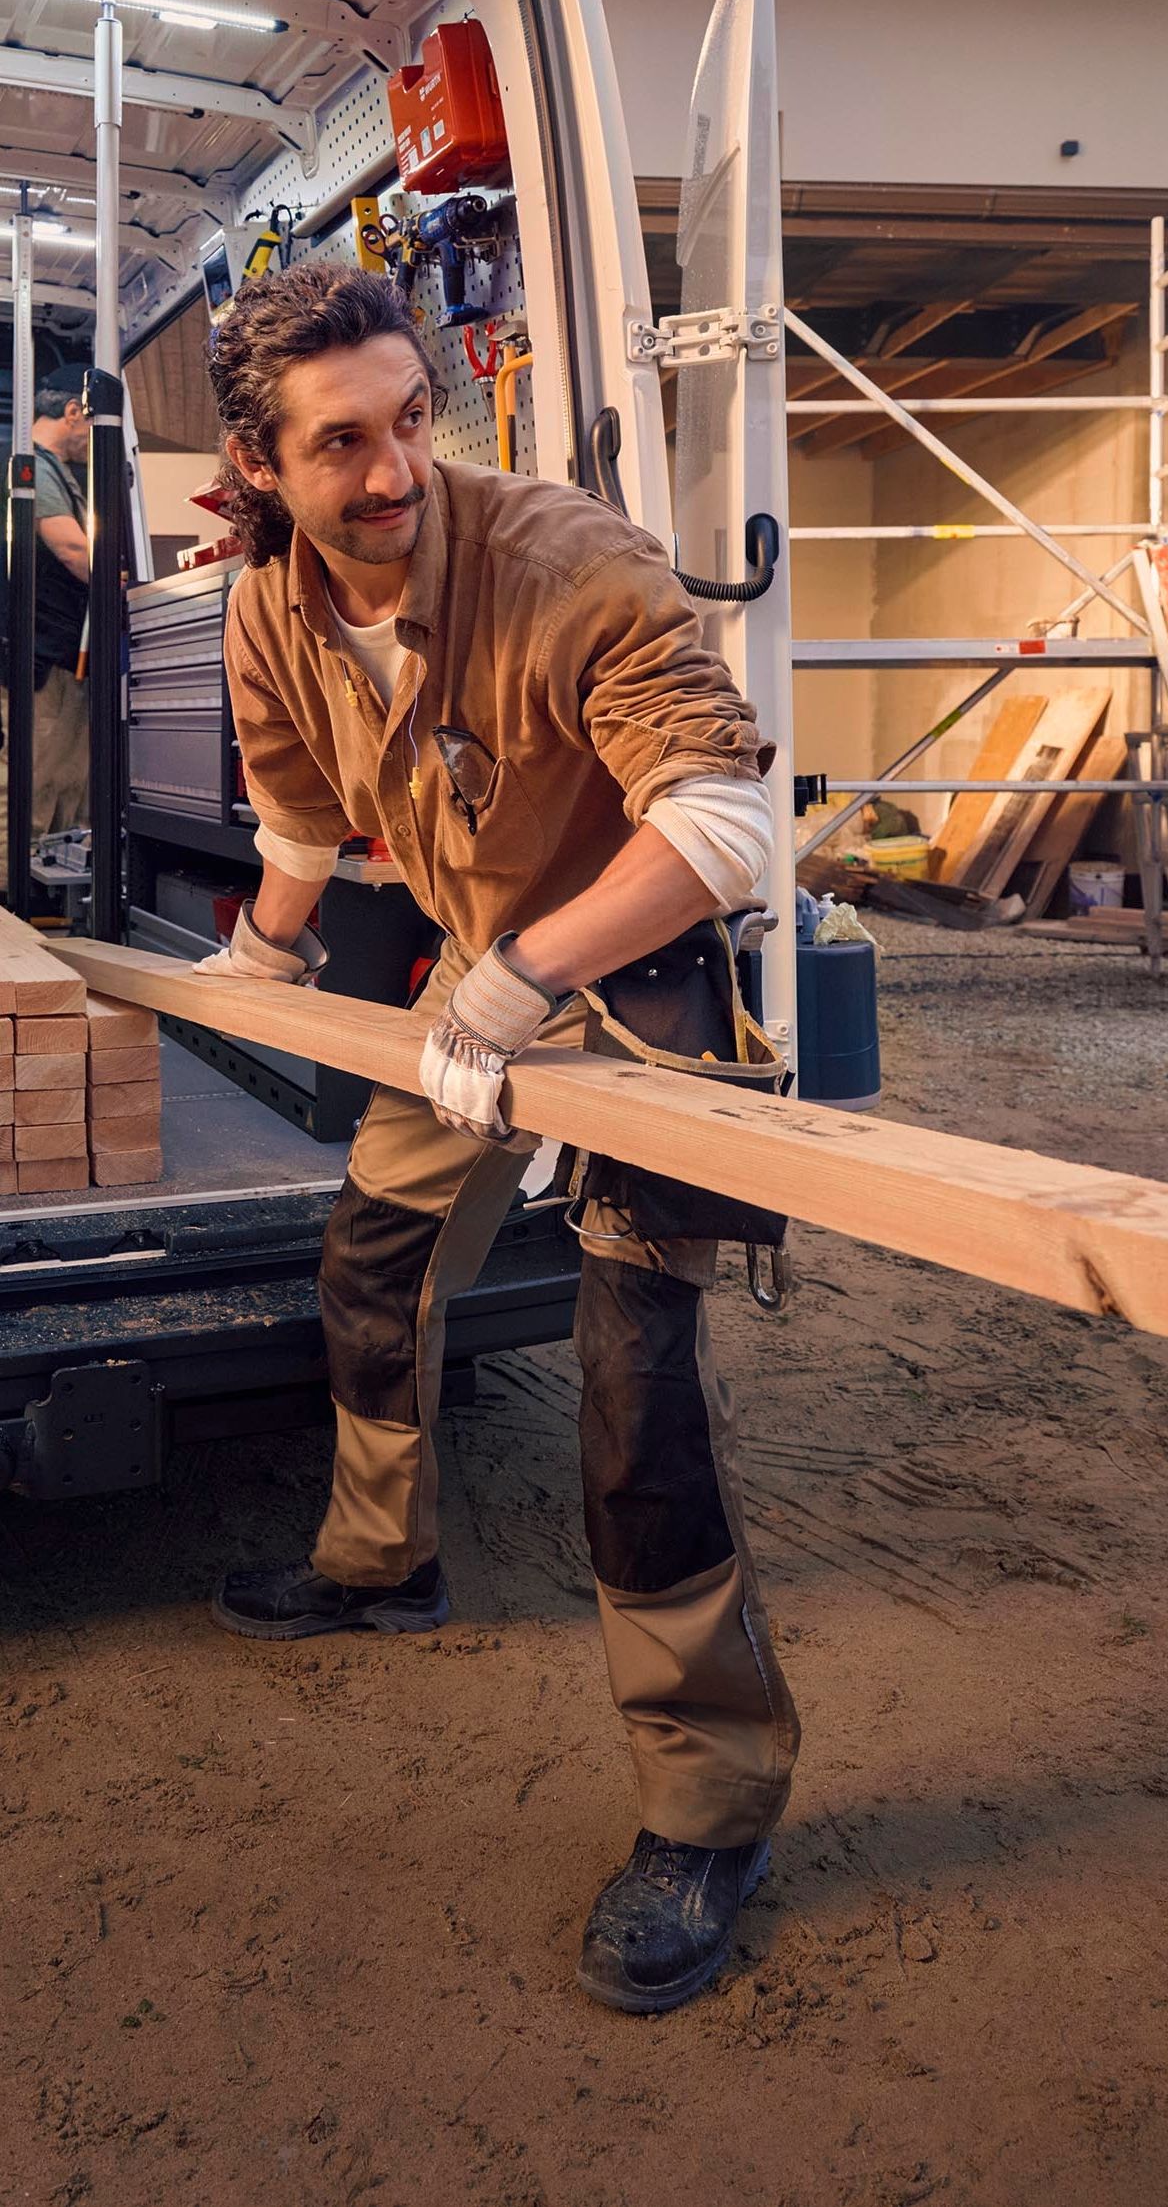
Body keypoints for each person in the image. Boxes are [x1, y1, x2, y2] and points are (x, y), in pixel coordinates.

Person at [201, 261, 797, 2015]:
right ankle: (380, 1558)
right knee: (372, 1258)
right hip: (476, 983)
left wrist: (527, 974)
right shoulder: (268, 606)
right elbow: (303, 806)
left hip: (636, 977)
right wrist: (255, 957)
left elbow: (722, 826)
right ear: (260, 465)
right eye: (341, 442)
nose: (391, 469)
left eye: (407, 421)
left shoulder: (567, 559)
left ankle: (707, 1805)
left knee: (633, 1402)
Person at [0, 361, 93, 841]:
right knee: (35, 779)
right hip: (37, 651)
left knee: (64, 779)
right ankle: (14, 903)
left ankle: (48, 903)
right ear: (74, 412)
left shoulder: (52, 469)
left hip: (54, 651)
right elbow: (71, 547)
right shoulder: (28, 463)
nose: (93, 438)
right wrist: (126, 587)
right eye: (94, 425)